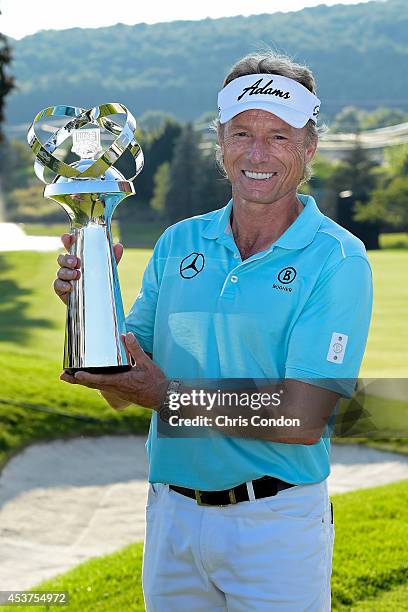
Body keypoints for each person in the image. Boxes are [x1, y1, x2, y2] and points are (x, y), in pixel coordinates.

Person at [54, 52, 373, 611]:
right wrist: (87, 306)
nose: (257, 153)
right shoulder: (178, 243)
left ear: (309, 147)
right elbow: (118, 392)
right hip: (172, 519)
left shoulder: (337, 259)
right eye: (242, 133)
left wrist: (165, 396)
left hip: (275, 527)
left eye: (279, 136)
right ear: (220, 142)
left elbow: (302, 417)